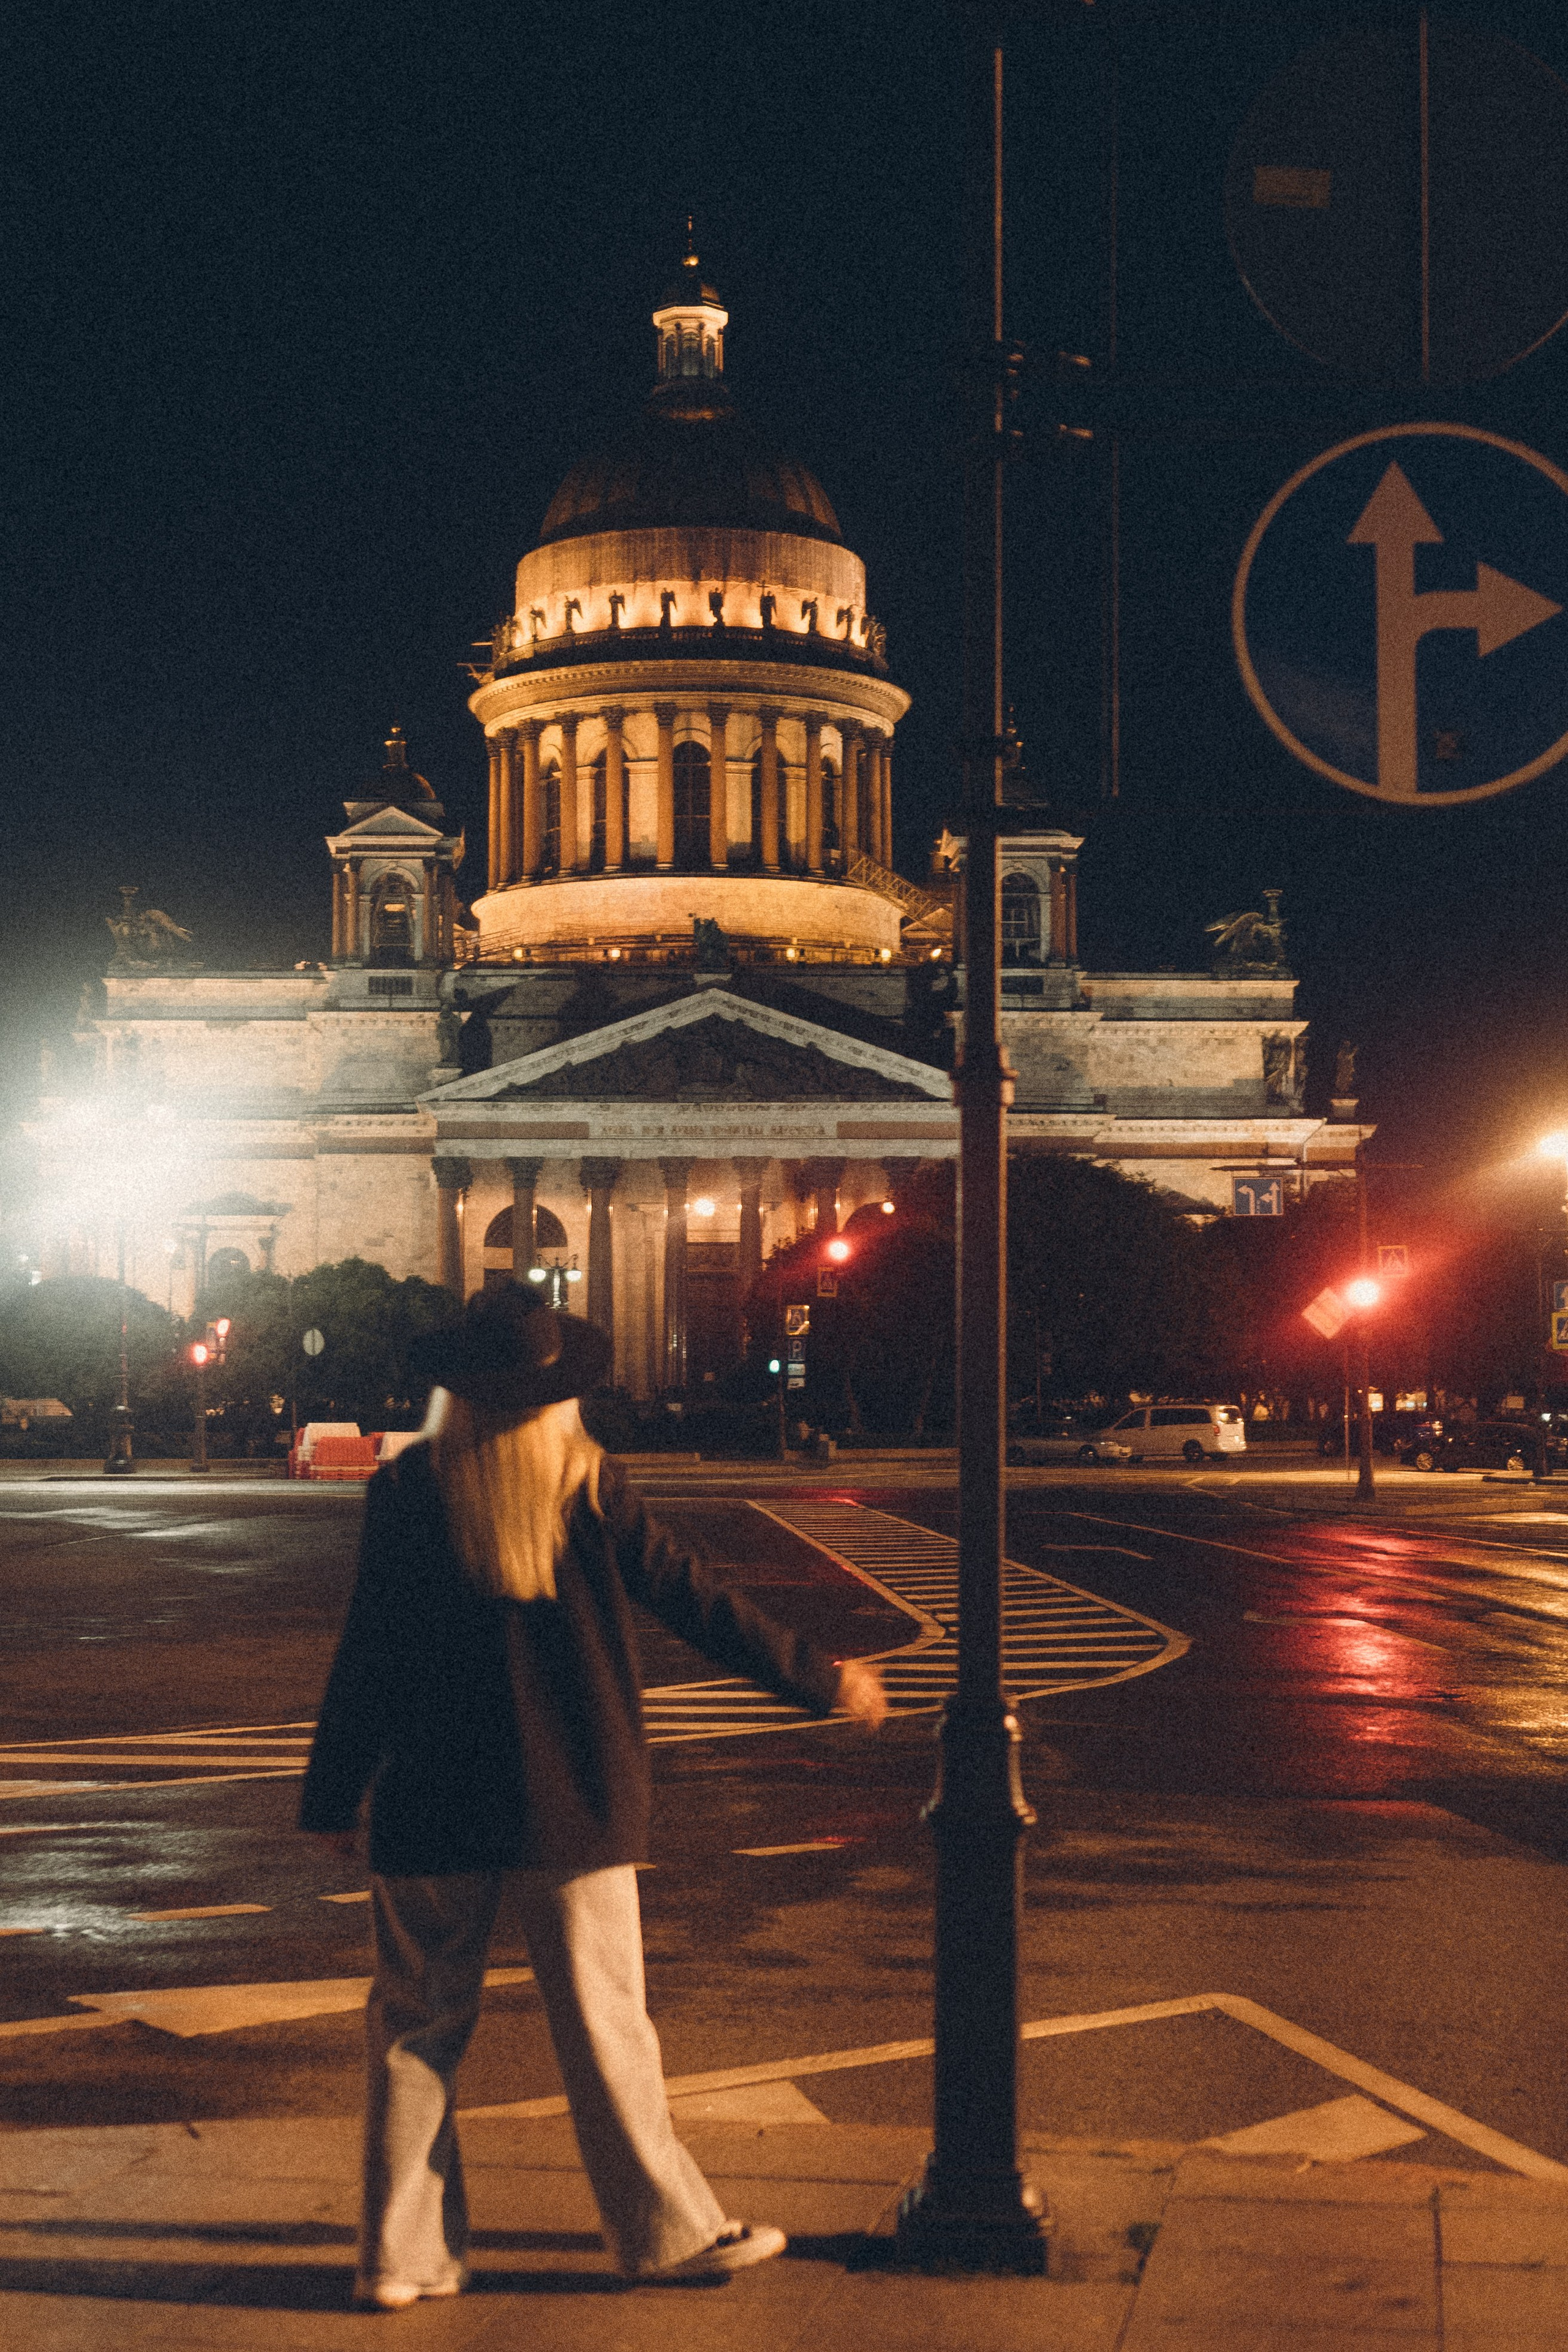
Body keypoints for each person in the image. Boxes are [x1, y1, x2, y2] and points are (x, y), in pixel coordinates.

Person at [300, 1283, 887, 2306]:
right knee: (608, 2029)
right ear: (559, 1392)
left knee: (414, 2033)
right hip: (570, 1796)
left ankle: (399, 2258)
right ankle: (663, 2235)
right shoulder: (590, 1484)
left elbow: (369, 1659)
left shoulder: (406, 1491)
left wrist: (331, 1796)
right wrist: (819, 1677)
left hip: (428, 1803)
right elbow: (698, 1600)